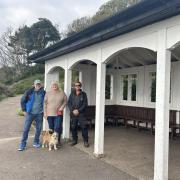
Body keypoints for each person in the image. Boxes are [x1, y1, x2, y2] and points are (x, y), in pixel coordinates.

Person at [18, 79, 46, 151]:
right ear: (34, 85)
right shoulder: (29, 92)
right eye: (36, 84)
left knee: (39, 129)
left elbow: (46, 102)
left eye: (39, 84)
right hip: (30, 113)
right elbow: (22, 100)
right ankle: (22, 144)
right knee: (26, 129)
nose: (38, 85)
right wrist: (24, 110)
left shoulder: (43, 92)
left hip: (39, 113)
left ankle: (36, 142)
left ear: (41, 85)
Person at [68, 81, 89, 147]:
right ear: (74, 86)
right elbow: (69, 103)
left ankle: (85, 141)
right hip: (73, 114)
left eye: (78, 85)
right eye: (76, 85)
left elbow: (85, 104)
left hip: (81, 114)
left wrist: (78, 110)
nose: (77, 86)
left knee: (84, 127)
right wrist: (73, 110)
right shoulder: (72, 94)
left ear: (80, 86)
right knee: (73, 127)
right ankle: (74, 140)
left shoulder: (84, 94)